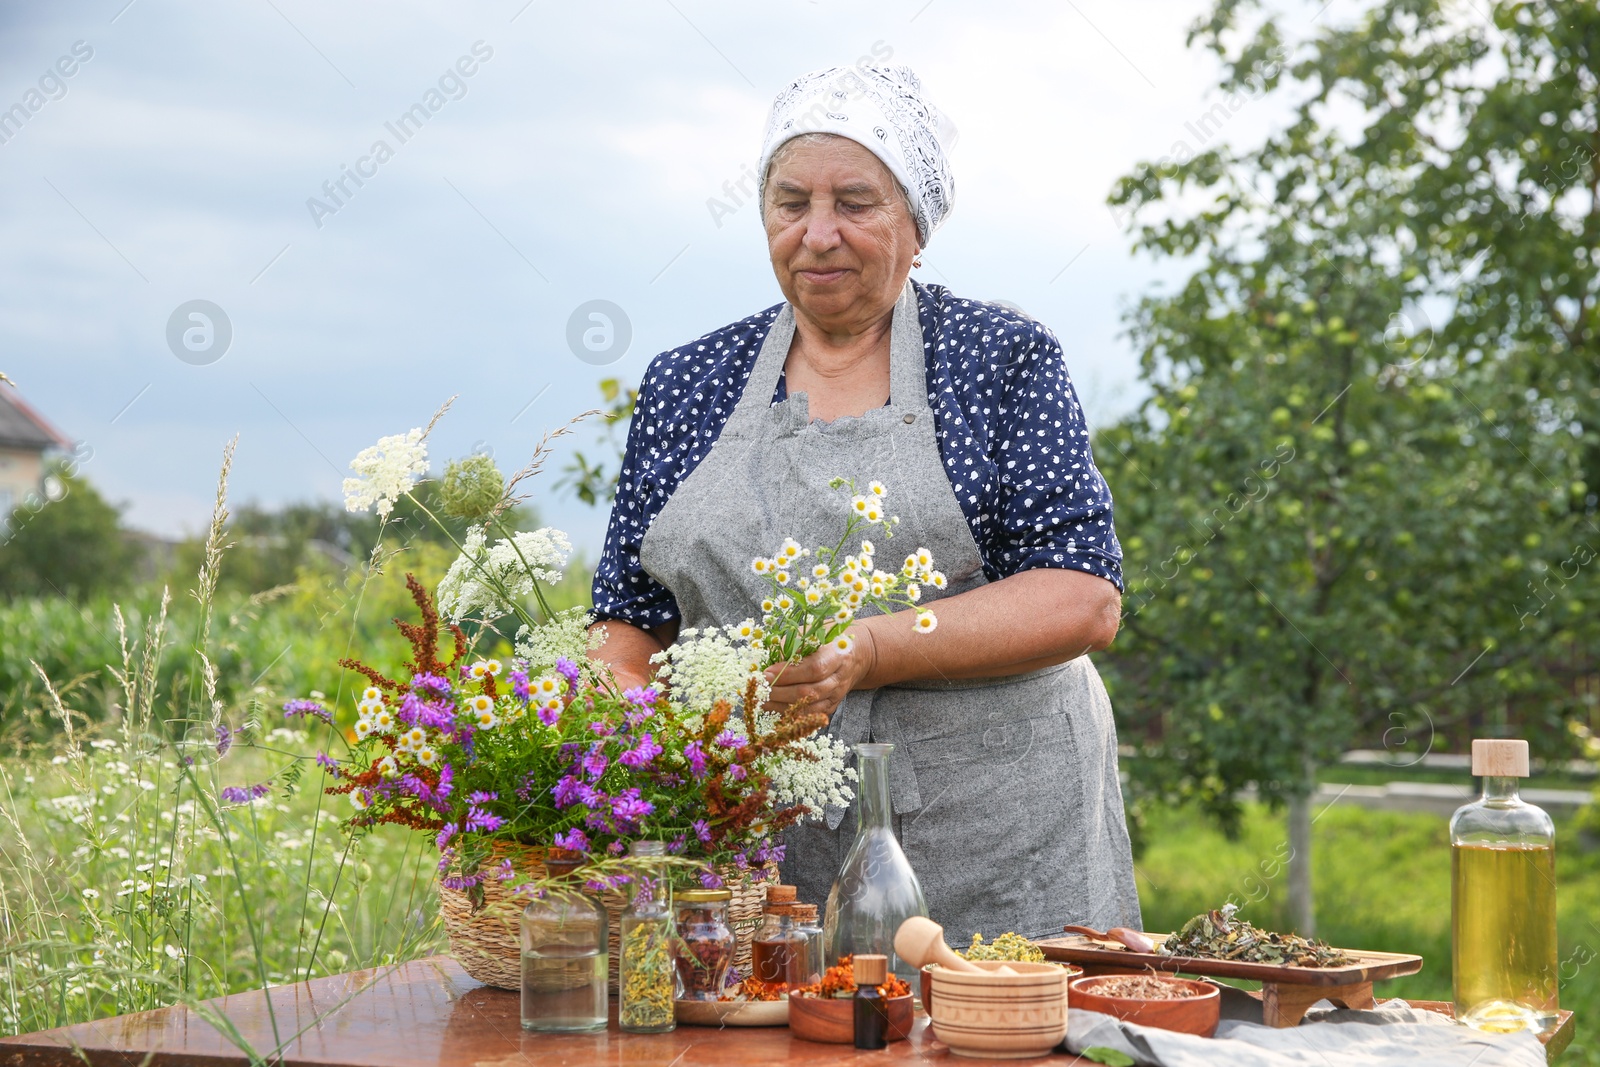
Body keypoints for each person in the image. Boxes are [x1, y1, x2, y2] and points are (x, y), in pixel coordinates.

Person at [589, 64, 1141, 939]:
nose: (817, 234)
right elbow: (624, 623)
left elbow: (1083, 594)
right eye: (790, 201)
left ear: (917, 225)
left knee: (1003, 1031)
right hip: (757, 847)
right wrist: (651, 736)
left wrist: (870, 646)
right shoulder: (687, 383)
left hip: (998, 835)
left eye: (855, 202)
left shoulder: (996, 359)